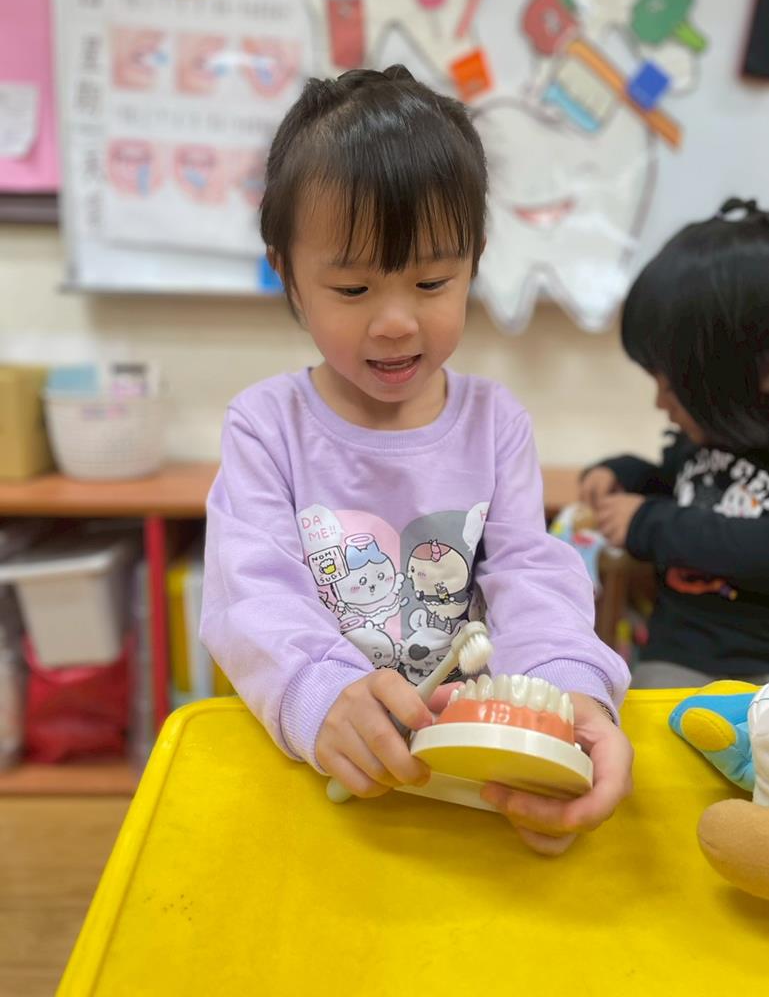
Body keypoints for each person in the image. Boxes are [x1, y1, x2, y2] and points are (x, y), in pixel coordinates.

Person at [201, 66, 632, 854]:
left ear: (473, 261)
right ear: (287, 272)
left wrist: (567, 692)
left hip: (462, 767)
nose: (397, 322)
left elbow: (530, 576)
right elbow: (250, 596)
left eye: (432, 281)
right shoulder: (266, 426)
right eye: (353, 288)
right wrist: (321, 692)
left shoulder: (494, 422)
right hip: (322, 760)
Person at [581, 199, 769, 689]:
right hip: (680, 660)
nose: (660, 402)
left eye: (672, 384)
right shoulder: (699, 438)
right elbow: (678, 487)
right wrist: (624, 473)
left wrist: (647, 523)